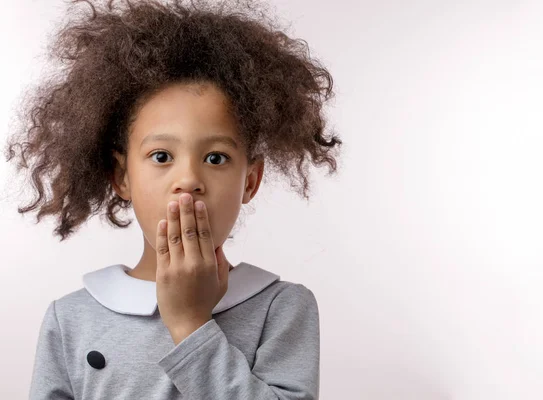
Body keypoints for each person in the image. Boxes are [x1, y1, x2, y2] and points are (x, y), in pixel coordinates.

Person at [4, 0, 342, 398]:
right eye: (161, 156)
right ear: (121, 177)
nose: (189, 180)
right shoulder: (71, 319)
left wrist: (190, 325)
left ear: (250, 180)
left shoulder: (281, 308)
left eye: (215, 158)